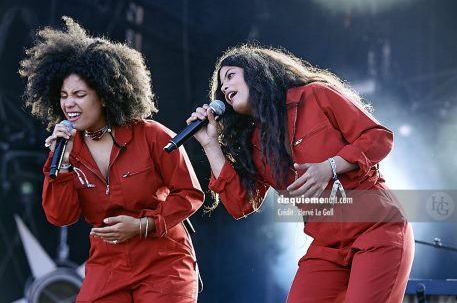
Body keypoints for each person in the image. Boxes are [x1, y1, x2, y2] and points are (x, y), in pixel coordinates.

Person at [187, 44, 414, 302]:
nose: (224, 88)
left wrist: (329, 167)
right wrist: (210, 144)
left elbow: (378, 138)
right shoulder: (254, 142)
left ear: (256, 73)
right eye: (221, 85)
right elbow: (241, 204)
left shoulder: (316, 95)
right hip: (326, 246)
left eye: (230, 76)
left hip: (377, 227)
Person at [20, 17, 204, 303]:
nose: (69, 104)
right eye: (64, 96)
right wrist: (64, 163)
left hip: (163, 261)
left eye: (79, 95)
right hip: (108, 263)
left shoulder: (151, 135)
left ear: (104, 96)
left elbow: (190, 194)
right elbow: (60, 216)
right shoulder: (66, 150)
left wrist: (144, 225)